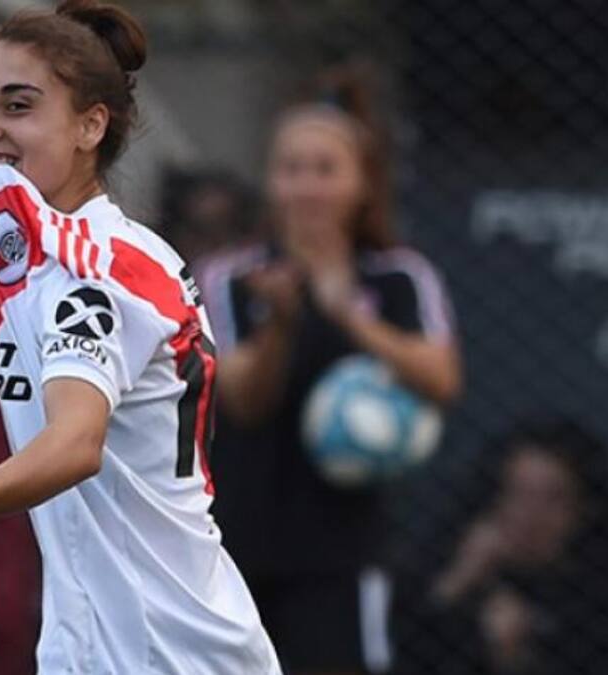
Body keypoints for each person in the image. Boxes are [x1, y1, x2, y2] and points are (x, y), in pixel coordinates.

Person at [0, 2, 281, 673]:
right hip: (108, 638)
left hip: (161, 649)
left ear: (91, 125)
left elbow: (75, 443)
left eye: (18, 105)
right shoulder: (68, 253)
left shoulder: (88, 271)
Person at [194, 65, 462, 675]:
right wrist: (283, 322)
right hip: (241, 536)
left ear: (362, 183)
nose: (308, 187)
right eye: (293, 169)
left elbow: (442, 378)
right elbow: (241, 399)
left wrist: (351, 315)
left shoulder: (398, 277)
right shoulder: (232, 278)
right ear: (272, 181)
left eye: (326, 169)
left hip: (345, 546)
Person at [395, 418, 608, 675]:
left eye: (553, 499)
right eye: (516, 494)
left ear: (586, 510)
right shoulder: (440, 566)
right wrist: (457, 582)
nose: (529, 516)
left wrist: (515, 659)